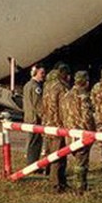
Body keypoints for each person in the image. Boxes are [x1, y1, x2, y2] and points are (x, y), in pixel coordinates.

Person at [61, 70, 96, 192]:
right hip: (82, 133)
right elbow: (87, 116)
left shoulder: (66, 95)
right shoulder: (83, 96)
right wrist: (92, 133)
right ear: (85, 82)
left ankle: (79, 185)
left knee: (77, 159)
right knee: (81, 162)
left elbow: (63, 114)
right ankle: (80, 187)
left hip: (69, 133)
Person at [42, 62, 71, 192]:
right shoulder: (61, 88)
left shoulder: (47, 86)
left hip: (47, 124)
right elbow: (65, 109)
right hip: (58, 126)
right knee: (59, 156)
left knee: (51, 154)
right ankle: (56, 184)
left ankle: (55, 179)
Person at [23, 65, 46, 165]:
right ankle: (33, 164)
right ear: (35, 73)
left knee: (31, 141)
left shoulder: (27, 85)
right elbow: (38, 105)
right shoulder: (36, 87)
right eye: (41, 73)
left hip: (28, 117)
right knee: (35, 142)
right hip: (34, 119)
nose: (43, 76)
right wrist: (43, 116)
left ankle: (31, 162)